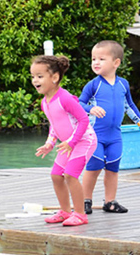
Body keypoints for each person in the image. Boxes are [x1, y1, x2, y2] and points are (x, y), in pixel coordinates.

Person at [31, 55, 97, 226]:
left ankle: (80, 214)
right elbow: (55, 125)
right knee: (56, 175)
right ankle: (66, 212)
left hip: (84, 141)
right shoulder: (45, 102)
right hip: (68, 144)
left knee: (70, 175)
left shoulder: (65, 98)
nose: (35, 80)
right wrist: (49, 144)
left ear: (54, 78)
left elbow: (84, 120)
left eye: (39, 76)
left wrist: (72, 142)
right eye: (33, 77)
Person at [79, 40, 140, 214]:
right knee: (95, 165)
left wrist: (139, 121)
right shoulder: (93, 85)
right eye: (93, 59)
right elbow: (79, 104)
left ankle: (110, 202)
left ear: (116, 63)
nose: (95, 62)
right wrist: (91, 108)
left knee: (113, 167)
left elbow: (129, 106)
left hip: (115, 136)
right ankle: (85, 201)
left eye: (101, 59)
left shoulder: (123, 84)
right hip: (95, 135)